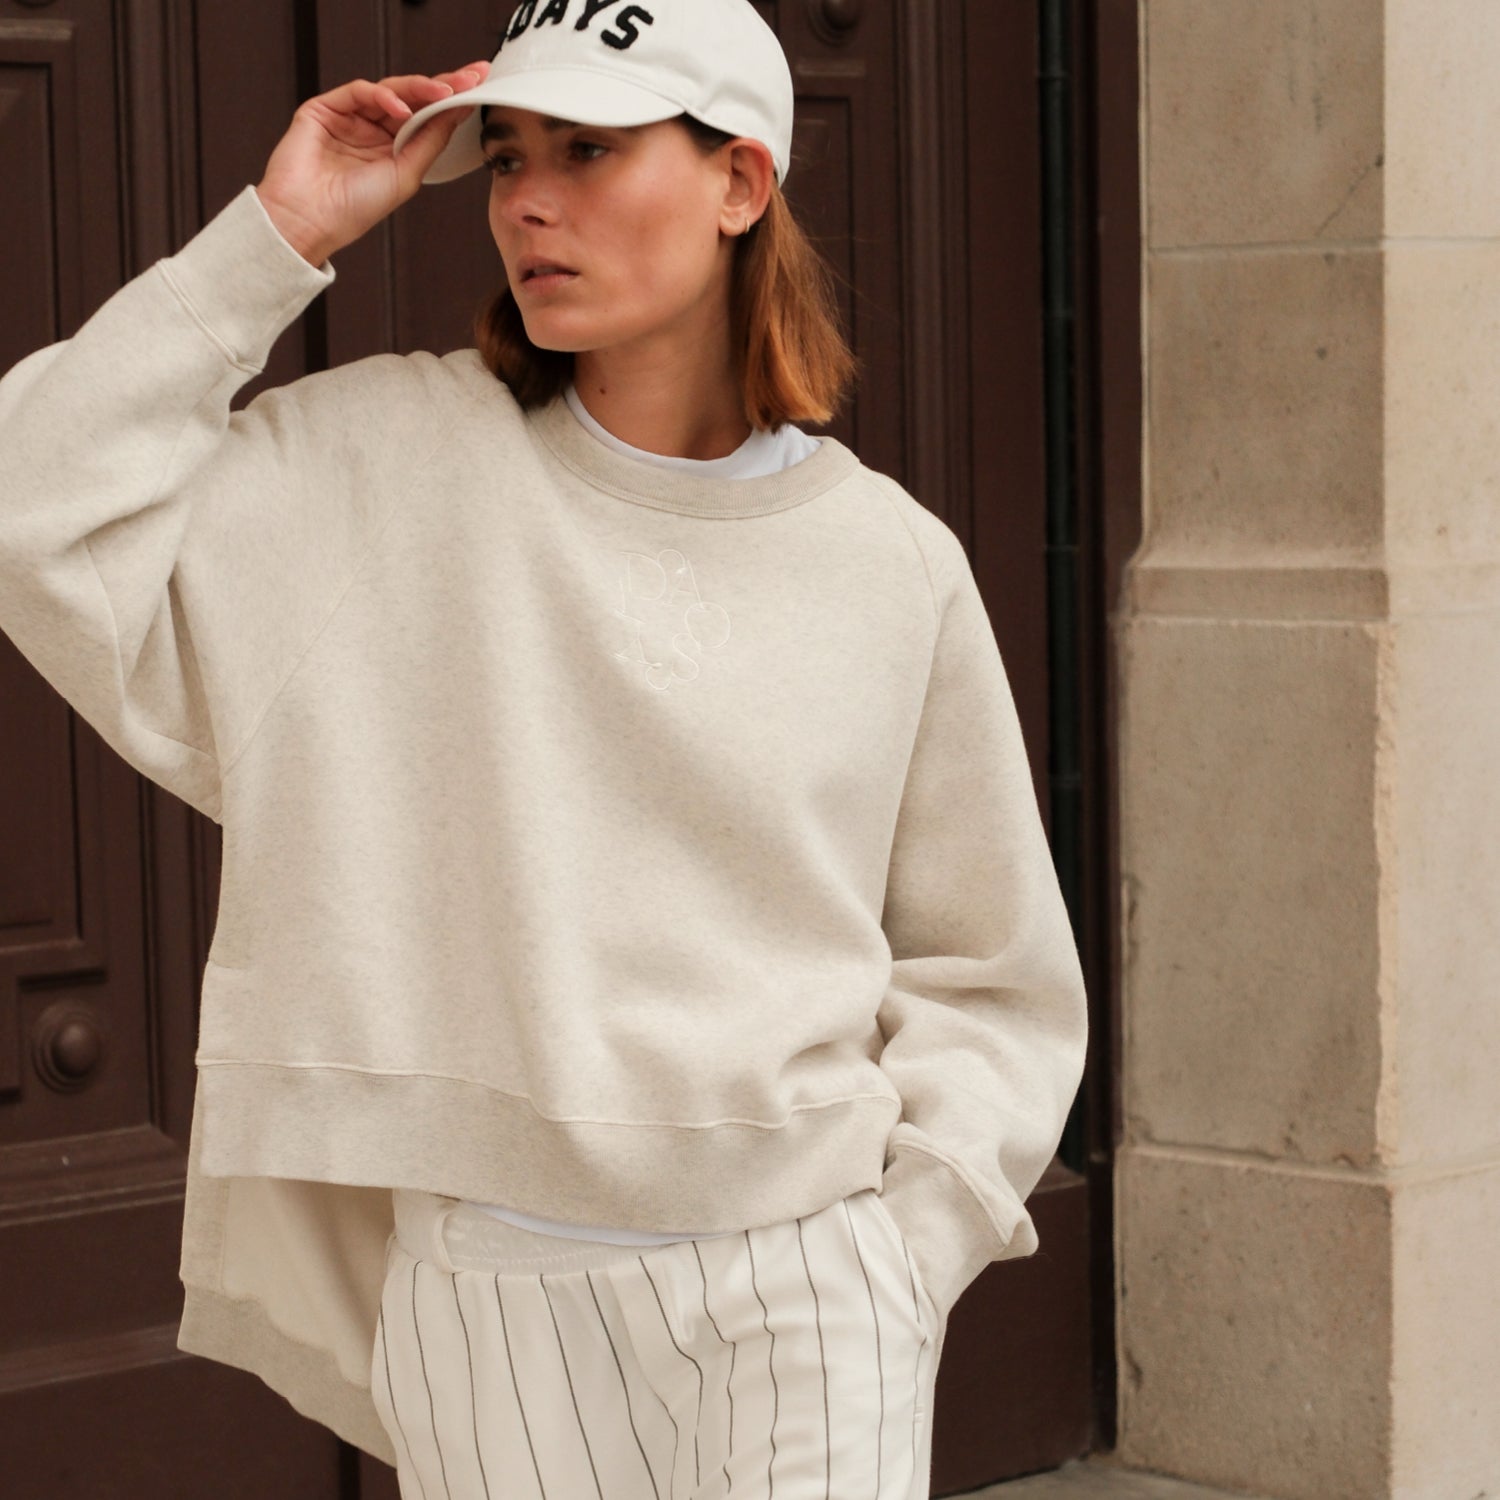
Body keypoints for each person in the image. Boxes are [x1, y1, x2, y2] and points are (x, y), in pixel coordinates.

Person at [0, 1, 1088, 1496]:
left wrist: (912, 1244)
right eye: (509, 155)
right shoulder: (386, 468)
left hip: (815, 1287)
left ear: (740, 182)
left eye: (588, 148)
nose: (525, 199)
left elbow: (992, 966)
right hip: (488, 1293)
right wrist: (278, 233)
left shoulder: (889, 562)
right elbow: (32, 504)